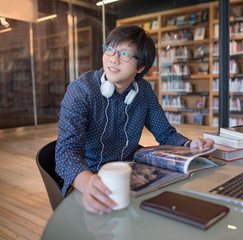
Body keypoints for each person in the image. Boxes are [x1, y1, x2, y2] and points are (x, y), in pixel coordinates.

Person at [55, 25, 214, 214]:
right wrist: (88, 181)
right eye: (110, 49)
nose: (113, 58)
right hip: (89, 178)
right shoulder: (81, 91)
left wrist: (190, 145)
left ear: (140, 67)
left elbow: (165, 133)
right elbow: (66, 152)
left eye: (124, 54)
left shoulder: (143, 91)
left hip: (132, 174)